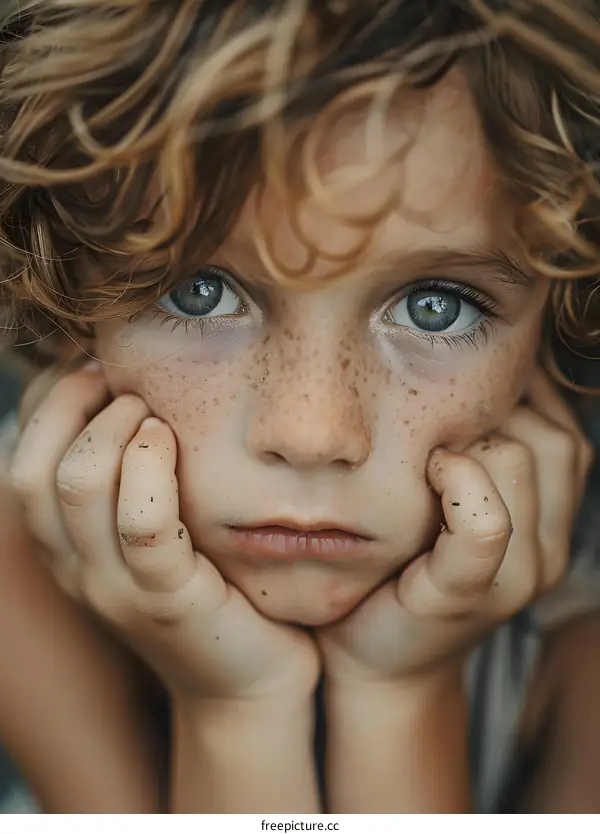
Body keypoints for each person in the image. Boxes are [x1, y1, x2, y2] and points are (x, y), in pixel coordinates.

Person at [0, 0, 600, 814]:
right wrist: (236, 710)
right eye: (199, 292)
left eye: (435, 306)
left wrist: (403, 695)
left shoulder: (585, 648)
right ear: (72, 303)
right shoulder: (19, 573)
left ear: (555, 321)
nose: (313, 434)